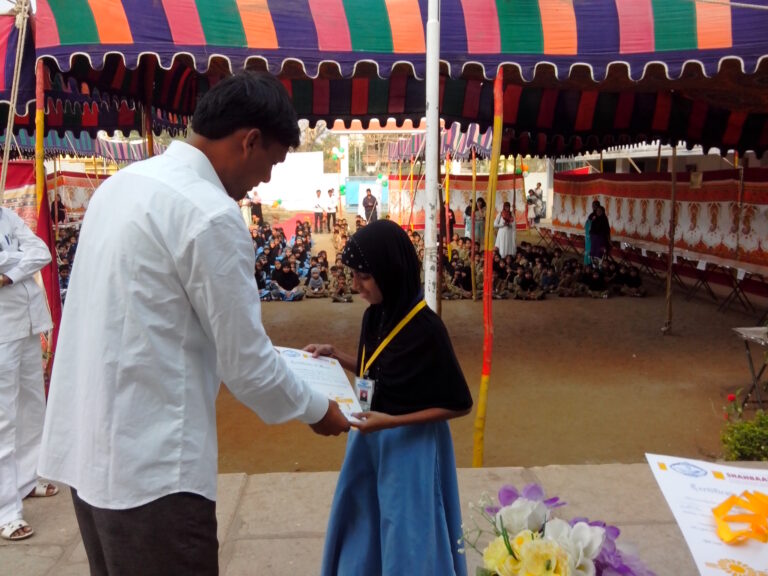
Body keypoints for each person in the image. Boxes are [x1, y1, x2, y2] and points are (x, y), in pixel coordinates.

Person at [37, 72, 350, 575]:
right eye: (270, 162)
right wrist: (319, 409)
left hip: (91, 456)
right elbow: (247, 365)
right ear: (248, 140)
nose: (264, 181)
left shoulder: (122, 186)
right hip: (155, 475)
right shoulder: (209, 213)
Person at [305, 219, 473, 576]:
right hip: (368, 438)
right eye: (353, 275)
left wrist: (393, 421)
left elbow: (458, 403)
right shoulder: (374, 316)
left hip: (409, 449)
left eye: (363, 277)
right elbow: (376, 372)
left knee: (406, 536)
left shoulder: (427, 328)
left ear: (390, 271)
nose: (355, 286)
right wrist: (337, 355)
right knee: (363, 525)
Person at [0, 208, 58, 542]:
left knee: (33, 407)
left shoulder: (7, 216)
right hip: (2, 331)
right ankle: (6, 510)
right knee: (4, 420)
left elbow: (41, 252)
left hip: (28, 323)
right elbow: (30, 257)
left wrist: (8, 271)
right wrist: (18, 258)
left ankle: (27, 480)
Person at [584, 200, 600, 265]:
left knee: (595, 251)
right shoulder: (591, 215)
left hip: (596, 237)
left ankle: (594, 265)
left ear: (598, 206)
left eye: (595, 205)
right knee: (588, 250)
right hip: (589, 236)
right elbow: (587, 224)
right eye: (593, 206)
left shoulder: (600, 215)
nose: (593, 207)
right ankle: (588, 263)